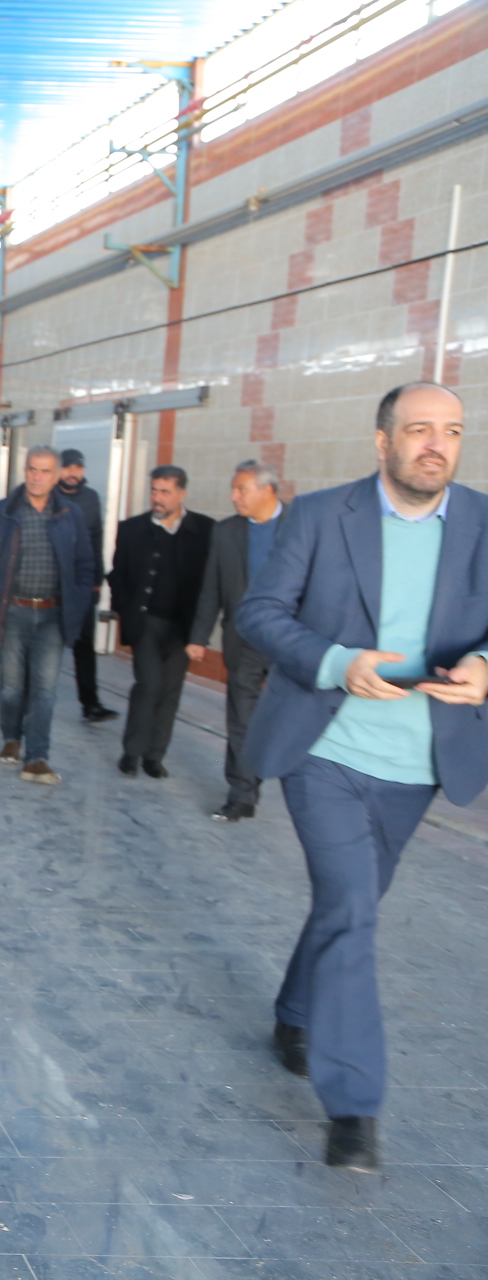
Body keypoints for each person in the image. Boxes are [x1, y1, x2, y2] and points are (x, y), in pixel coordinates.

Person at [237, 381, 488, 1172]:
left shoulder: (484, 522)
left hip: (420, 765)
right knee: (352, 906)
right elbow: (260, 612)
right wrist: (339, 662)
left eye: (451, 431)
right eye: (419, 430)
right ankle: (354, 1104)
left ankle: (296, 1009)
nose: (436, 445)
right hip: (327, 750)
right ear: (383, 442)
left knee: (350, 905)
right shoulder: (321, 516)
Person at [0, 446, 97, 785]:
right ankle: (12, 737)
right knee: (11, 687)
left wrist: (79, 602)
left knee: (45, 689)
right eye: (32, 469)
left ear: (56, 476)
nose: (37, 477)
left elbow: (85, 563)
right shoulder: (1, 512)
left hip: (53, 614)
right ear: (24, 471)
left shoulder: (70, 514)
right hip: (12, 613)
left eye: (45, 471)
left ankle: (37, 756)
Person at [187, 459, 286, 821]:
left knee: (286, 719)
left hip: (290, 643)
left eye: (241, 490)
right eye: (234, 489)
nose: (233, 497)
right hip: (243, 639)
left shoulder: (302, 526)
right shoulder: (226, 531)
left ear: (267, 490)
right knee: (241, 720)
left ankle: (304, 790)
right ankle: (242, 793)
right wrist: (199, 636)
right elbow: (211, 587)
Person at [108, 466, 214, 778]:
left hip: (183, 628)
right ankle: (131, 752)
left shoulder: (205, 530)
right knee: (149, 685)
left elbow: (211, 583)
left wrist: (201, 631)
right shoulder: (132, 528)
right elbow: (118, 575)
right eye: (154, 490)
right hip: (146, 623)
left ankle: (154, 756)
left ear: (181, 494)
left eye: (165, 492)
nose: (157, 498)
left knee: (170, 691)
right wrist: (125, 611)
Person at [57, 449, 120, 723]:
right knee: (47, 644)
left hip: (82, 583)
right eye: (68, 467)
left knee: (84, 645)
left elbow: (96, 540)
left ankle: (91, 704)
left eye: (78, 468)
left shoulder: (91, 498)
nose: (73, 473)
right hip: (51, 583)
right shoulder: (49, 496)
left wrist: (96, 582)